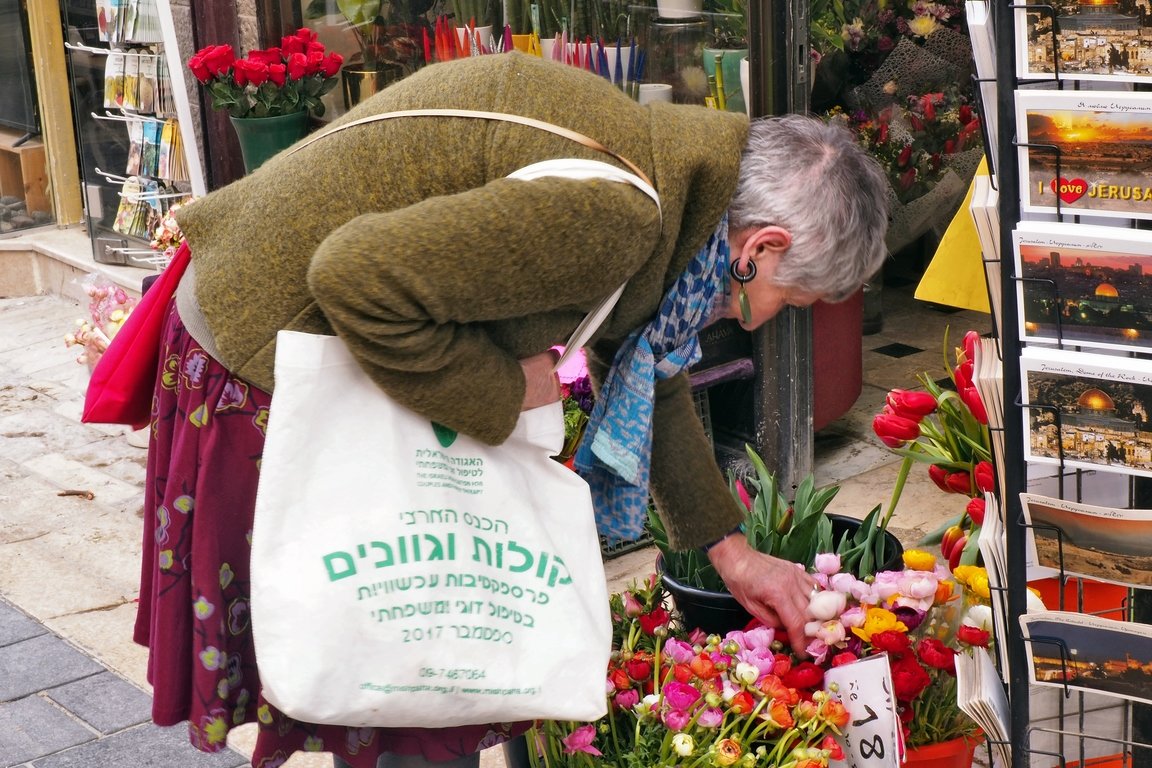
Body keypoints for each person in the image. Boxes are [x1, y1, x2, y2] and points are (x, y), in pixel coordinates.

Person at [133, 52, 889, 768]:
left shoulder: (672, 182)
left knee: (403, 670)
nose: (762, 321)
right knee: (396, 661)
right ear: (761, 246)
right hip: (264, 352)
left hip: (298, 331)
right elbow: (353, 279)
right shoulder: (613, 216)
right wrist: (507, 387)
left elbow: (647, 364)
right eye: (789, 298)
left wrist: (733, 554)